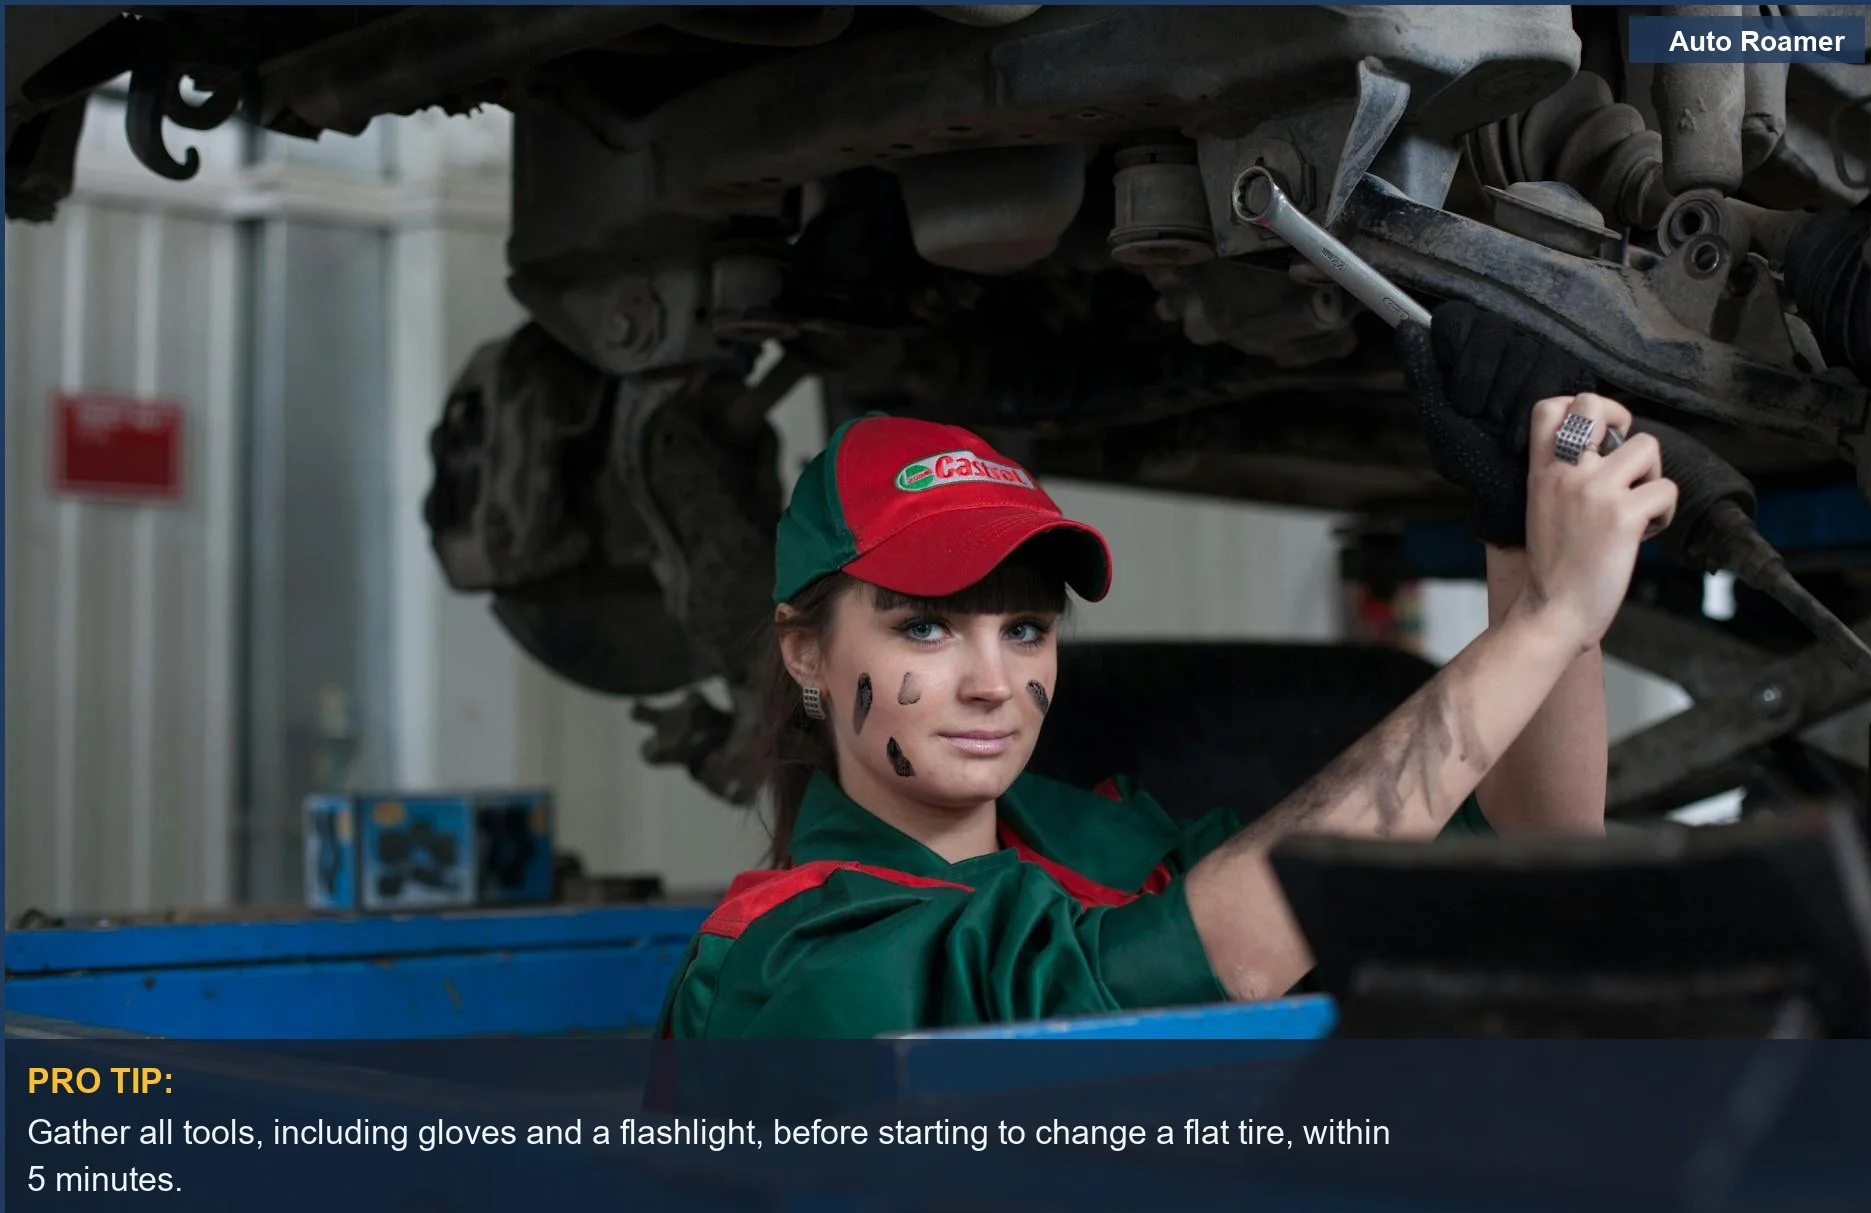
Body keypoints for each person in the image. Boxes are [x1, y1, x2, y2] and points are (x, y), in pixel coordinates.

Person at [653, 306, 1678, 1038]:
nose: (990, 681)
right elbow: (1192, 968)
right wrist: (1546, 618)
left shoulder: (1102, 840)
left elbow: (1524, 852)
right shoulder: (788, 961)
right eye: (924, 629)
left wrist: (1518, 538)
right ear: (806, 655)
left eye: (1022, 629)